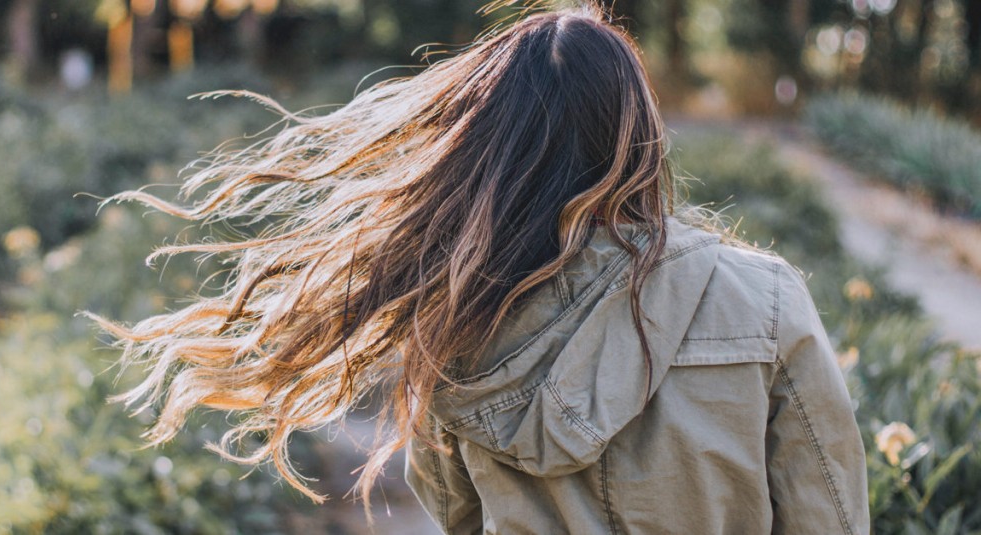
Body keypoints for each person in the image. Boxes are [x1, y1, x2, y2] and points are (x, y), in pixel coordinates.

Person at [92, 2, 869, 533]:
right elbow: (830, 512)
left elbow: (458, 515)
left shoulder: (457, 316)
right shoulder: (765, 301)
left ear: (495, 151)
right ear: (640, 134)